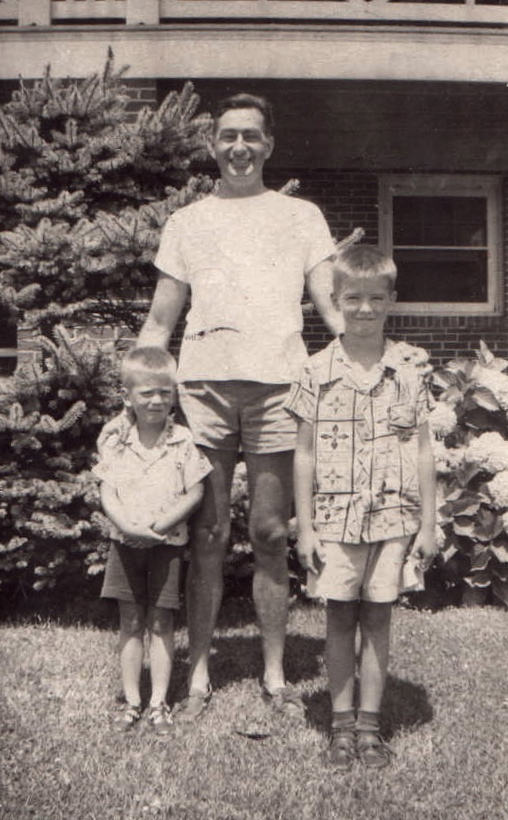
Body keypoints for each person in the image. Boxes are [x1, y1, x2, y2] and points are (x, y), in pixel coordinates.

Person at [137, 93, 342, 720]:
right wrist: (137, 389)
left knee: (271, 534)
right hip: (203, 390)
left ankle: (275, 673)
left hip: (280, 387)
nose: (239, 148)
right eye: (227, 136)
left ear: (269, 145)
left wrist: (368, 357)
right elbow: (159, 320)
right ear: (212, 145)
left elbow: (333, 306)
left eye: (251, 136)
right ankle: (197, 674)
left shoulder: (301, 216)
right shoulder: (188, 223)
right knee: (208, 533)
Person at [286, 244, 437, 768]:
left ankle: (370, 729)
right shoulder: (314, 372)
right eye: (354, 299)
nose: (365, 309)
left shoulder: (409, 373)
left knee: (377, 620)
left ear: (392, 300)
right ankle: (341, 727)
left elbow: (422, 450)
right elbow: (302, 454)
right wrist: (304, 527)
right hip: (332, 521)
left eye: (376, 298)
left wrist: (429, 524)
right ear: (335, 300)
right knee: (337, 620)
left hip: (394, 520)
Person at [93, 347, 212, 734]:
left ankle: (159, 702)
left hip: (167, 543)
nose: (157, 400)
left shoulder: (182, 441)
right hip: (124, 543)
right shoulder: (114, 441)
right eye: (146, 393)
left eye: (165, 391)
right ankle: (131, 701)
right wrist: (127, 525)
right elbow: (107, 493)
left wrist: (160, 526)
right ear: (127, 396)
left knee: (161, 621)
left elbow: (194, 493)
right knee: (130, 619)